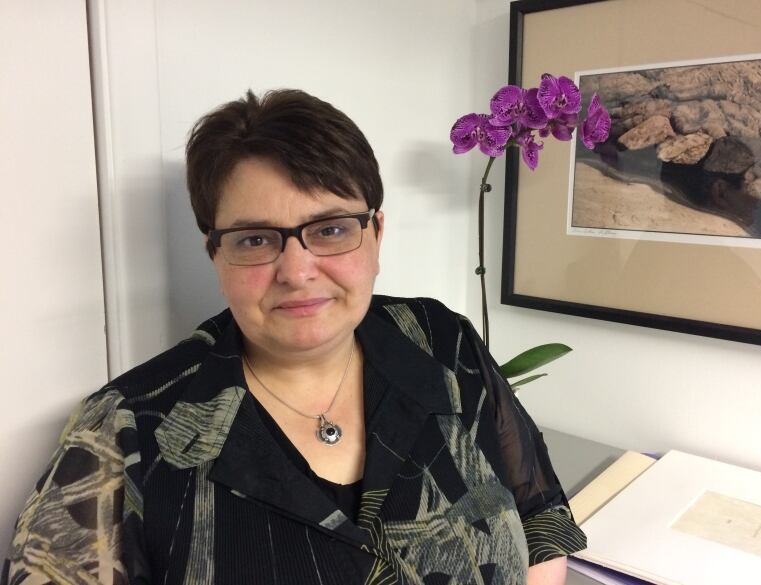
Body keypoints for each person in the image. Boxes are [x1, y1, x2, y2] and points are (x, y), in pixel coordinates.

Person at [3, 89, 585, 584]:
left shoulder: (441, 342)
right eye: (256, 239)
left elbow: (539, 518)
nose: (298, 270)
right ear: (216, 253)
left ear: (375, 234)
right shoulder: (126, 431)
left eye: (331, 229)